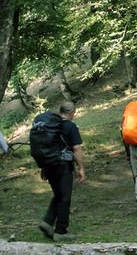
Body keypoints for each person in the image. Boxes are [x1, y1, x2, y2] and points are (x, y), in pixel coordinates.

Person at [37, 102, 85, 243]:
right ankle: (60, 231)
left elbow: (46, 147)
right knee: (64, 197)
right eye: (74, 112)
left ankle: (47, 221)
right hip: (63, 166)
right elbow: (76, 148)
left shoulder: (49, 126)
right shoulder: (70, 126)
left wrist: (44, 167)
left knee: (59, 194)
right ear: (71, 112)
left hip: (49, 165)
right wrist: (81, 168)